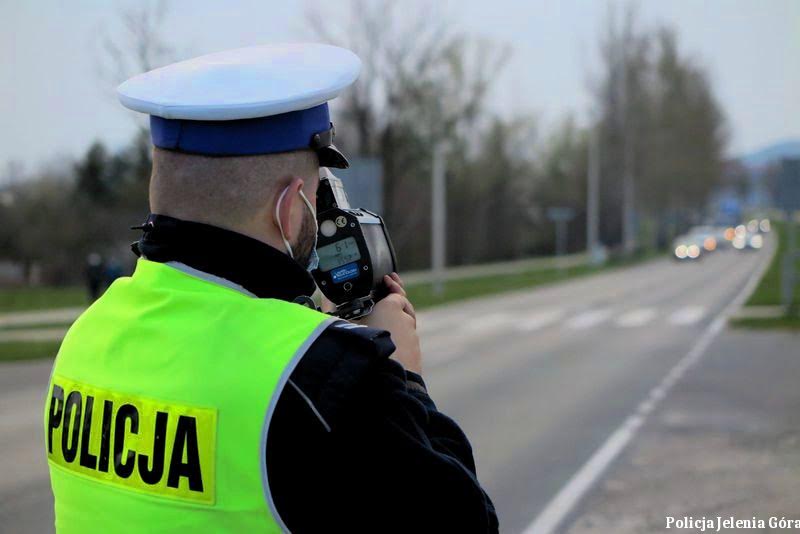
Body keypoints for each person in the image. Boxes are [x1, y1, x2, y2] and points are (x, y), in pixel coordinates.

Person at [43, 43, 497, 533]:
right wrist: (404, 380)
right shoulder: (327, 379)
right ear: (288, 207)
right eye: (317, 194)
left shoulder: (84, 338)